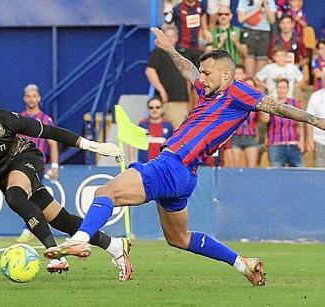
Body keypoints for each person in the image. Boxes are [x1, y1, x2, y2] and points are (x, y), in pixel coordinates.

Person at [44, 27, 325, 287]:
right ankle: (243, 264)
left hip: (172, 163)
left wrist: (315, 120)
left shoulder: (238, 91)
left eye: (208, 73)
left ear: (226, 75)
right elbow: (188, 70)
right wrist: (169, 48)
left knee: (106, 192)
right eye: (202, 73)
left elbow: (275, 106)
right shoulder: (208, 91)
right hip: (185, 176)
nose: (201, 79)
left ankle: (79, 240)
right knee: (178, 238)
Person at [0, 81, 133, 280]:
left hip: (25, 159)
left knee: (14, 196)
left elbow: (49, 131)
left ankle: (55, 255)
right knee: (64, 221)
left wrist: (93, 146)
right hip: (4, 179)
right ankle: (115, 246)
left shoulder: (4, 119)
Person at [16, 84, 59, 244]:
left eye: (34, 96)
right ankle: (32, 228)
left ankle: (28, 230)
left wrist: (54, 166)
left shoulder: (45, 119)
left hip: (38, 163)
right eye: (29, 96)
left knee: (27, 195)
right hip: (20, 163)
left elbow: (53, 144)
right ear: (25, 98)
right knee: (28, 197)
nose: (31, 99)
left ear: (39, 98)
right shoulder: (20, 118)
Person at [145, 26, 192, 128]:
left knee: (181, 130)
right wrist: (161, 90)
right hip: (169, 100)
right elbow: (149, 71)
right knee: (175, 132)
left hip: (182, 100)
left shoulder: (181, 54)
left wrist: (188, 95)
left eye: (172, 36)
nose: (170, 39)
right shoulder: (158, 53)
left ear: (176, 38)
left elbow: (187, 75)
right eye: (167, 37)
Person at [260, 78, 304, 167]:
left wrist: (302, 140)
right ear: (276, 89)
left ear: (288, 89)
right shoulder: (272, 103)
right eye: (279, 87)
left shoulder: (295, 103)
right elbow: (265, 120)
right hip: (276, 145)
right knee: (277, 176)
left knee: (301, 174)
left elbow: (301, 124)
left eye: (284, 87)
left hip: (294, 145)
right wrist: (265, 104)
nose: (281, 90)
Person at [237, 0, 276, 77]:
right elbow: (240, 19)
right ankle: (249, 86)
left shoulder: (269, 1)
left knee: (260, 72)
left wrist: (266, 5)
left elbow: (272, 20)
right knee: (249, 68)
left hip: (264, 33)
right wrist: (257, 9)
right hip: (249, 32)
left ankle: (257, 87)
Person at [230, 78, 261, 168]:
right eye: (247, 85)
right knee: (234, 170)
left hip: (250, 138)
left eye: (251, 85)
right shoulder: (234, 101)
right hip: (235, 138)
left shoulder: (258, 104)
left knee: (251, 170)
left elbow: (263, 120)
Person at [137, 97, 174, 163]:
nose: (154, 110)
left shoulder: (169, 125)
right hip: (145, 165)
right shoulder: (142, 125)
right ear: (147, 109)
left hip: (163, 165)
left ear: (162, 109)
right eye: (151, 107)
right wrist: (132, 160)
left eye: (157, 107)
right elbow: (132, 143)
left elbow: (174, 146)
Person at [306, 88, 325, 167]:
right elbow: (309, 118)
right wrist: (310, 138)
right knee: (320, 171)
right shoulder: (315, 96)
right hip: (319, 140)